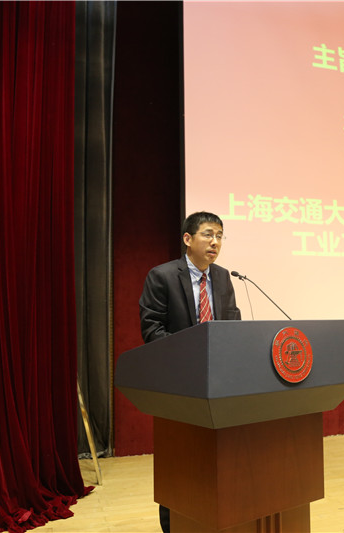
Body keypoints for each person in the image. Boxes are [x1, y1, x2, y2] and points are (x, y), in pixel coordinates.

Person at [138, 211, 241, 532]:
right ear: (188, 238)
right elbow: (152, 329)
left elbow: (232, 325)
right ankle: (175, 525)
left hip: (218, 384)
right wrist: (193, 357)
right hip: (179, 384)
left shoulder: (222, 277)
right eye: (208, 234)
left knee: (215, 459)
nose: (215, 242)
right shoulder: (162, 276)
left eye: (220, 236)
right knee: (180, 461)